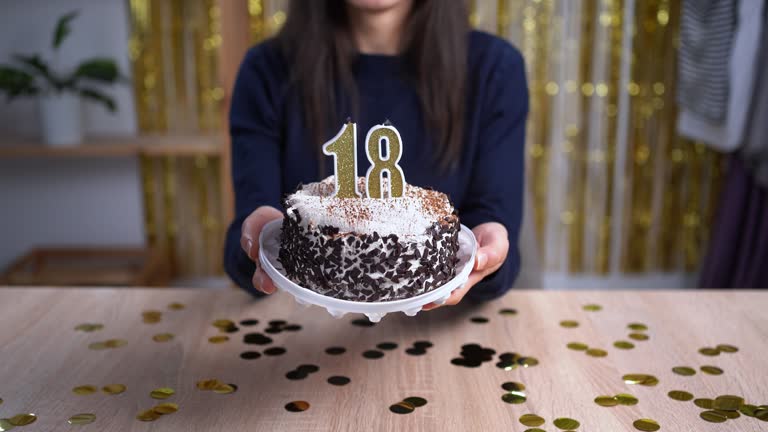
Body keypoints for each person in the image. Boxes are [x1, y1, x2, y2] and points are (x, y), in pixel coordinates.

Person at [224, 0, 528, 309]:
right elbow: (243, 251)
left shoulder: (494, 70)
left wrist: (486, 253)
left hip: (443, 331)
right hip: (297, 329)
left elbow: (495, 242)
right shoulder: (267, 70)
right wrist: (257, 244)